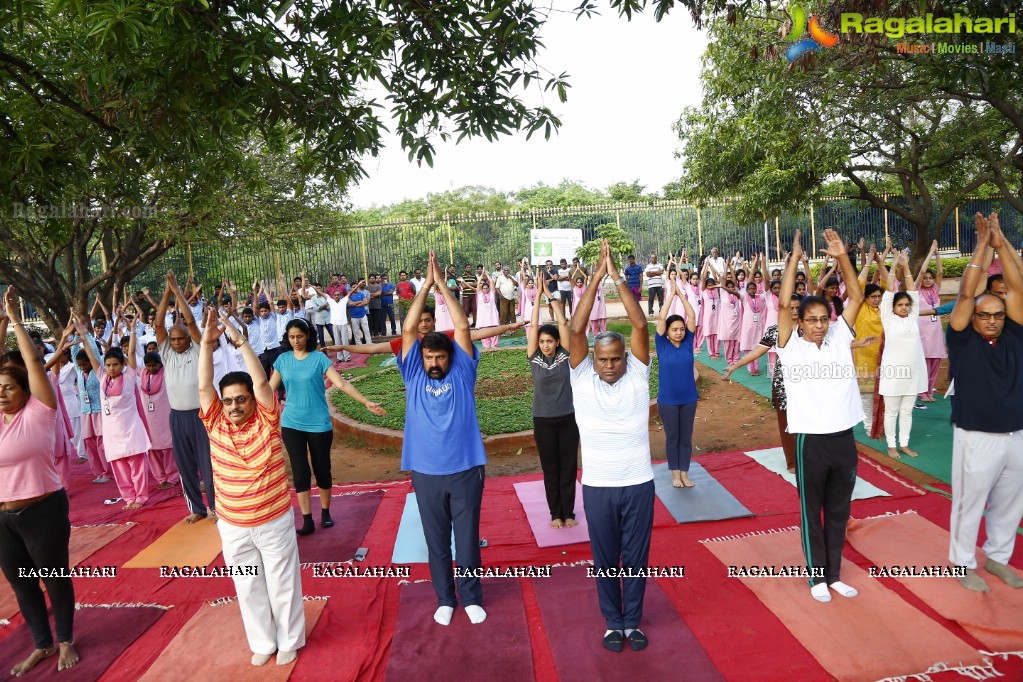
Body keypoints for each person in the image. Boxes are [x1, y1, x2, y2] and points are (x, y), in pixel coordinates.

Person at [197, 309, 306, 667]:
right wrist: (207, 346)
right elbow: (203, 386)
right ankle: (263, 641)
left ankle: (289, 639)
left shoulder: (268, 419)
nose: (233, 406)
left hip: (273, 521)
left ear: (252, 401)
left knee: (282, 583)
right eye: (227, 401)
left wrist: (240, 341)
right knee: (248, 586)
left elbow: (261, 384)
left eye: (240, 399)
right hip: (234, 528)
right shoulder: (215, 424)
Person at [570, 240, 654, 653]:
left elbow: (640, 326)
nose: (608, 365)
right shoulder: (580, 377)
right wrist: (595, 281)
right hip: (598, 487)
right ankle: (612, 622)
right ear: (593, 360)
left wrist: (617, 277)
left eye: (614, 359)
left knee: (636, 558)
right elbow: (574, 331)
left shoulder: (639, 374)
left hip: (639, 483)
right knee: (604, 560)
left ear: (625, 359)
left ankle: (633, 621)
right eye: (602, 359)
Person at [397, 252, 488, 627]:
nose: (434, 362)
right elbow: (407, 331)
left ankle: (470, 597)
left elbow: (463, 328)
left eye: (439, 357)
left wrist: (442, 286)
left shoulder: (463, 372)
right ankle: (445, 598)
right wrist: (424, 288)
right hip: (426, 472)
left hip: (466, 469)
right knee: (436, 541)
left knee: (466, 539)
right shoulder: (413, 375)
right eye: (429, 356)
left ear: (451, 358)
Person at [775, 228, 864, 604]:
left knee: (839, 511)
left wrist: (843, 257)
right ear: (800, 322)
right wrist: (794, 258)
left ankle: (835, 575)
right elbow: (782, 306)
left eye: (822, 319)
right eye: (810, 319)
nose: (817, 325)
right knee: (812, 512)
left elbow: (856, 295)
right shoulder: (790, 348)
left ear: (830, 319)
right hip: (810, 441)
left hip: (843, 438)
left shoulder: (840, 337)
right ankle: (816, 578)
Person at [0, 287, 79, 676]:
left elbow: (32, 362)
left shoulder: (39, 410)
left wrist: (15, 320)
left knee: (52, 578)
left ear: (25, 390)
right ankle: (42, 645)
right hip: (3, 519)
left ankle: (65, 639)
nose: (1, 392)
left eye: (8, 387)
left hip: (42, 510)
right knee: (22, 585)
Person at [945, 212, 1023, 592]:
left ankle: (997, 558)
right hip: (976, 435)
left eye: (997, 314)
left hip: (1017, 434)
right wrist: (980, 246)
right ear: (973, 318)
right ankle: (962, 563)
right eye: (984, 315)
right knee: (968, 503)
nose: (991, 320)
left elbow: (1018, 286)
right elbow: (964, 293)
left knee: (1011, 503)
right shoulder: (961, 339)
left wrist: (1001, 242)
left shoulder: (1016, 334)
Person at [269, 318, 385, 536]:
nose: (296, 341)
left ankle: (325, 512)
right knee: (300, 472)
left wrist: (366, 402)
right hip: (291, 423)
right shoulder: (282, 360)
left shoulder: (318, 358)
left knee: (322, 469)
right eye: (292, 337)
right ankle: (306, 520)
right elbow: (268, 390)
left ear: (308, 336)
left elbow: (341, 383)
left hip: (318, 423)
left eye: (300, 336)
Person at [72, 312, 151, 510]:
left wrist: (132, 330)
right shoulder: (101, 377)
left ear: (122, 365)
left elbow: (131, 353)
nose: (111, 368)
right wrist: (83, 334)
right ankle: (128, 497)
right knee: (119, 467)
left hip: (131, 428)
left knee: (137, 464)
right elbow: (92, 355)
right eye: (108, 365)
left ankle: (140, 497)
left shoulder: (130, 375)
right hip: (112, 431)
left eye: (115, 364)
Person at [156, 270, 216, 523]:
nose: (178, 342)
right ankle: (197, 509)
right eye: (174, 339)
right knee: (185, 466)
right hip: (177, 417)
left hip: (200, 415)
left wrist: (178, 292)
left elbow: (191, 323)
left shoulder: (198, 349)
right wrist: (167, 293)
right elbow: (158, 325)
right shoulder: (167, 353)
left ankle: (215, 508)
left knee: (208, 465)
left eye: (181, 339)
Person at [726, 290, 805, 473]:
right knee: (786, 421)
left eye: (797, 308)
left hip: (805, 382)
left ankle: (807, 457)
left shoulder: (809, 329)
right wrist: (734, 366)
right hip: (783, 383)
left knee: (806, 421)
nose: (793, 311)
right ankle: (792, 461)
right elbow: (756, 351)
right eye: (790, 308)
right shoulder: (775, 330)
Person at [528, 272, 578, 528]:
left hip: (568, 419)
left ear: (557, 342)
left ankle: (568, 513)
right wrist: (536, 298)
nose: (546, 345)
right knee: (551, 469)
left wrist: (551, 296)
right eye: (542, 342)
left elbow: (563, 325)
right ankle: (554, 513)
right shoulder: (535, 358)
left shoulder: (564, 356)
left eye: (550, 341)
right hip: (543, 421)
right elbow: (534, 326)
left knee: (568, 468)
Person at [878, 251, 928, 459]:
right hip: (893, 371)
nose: (905, 308)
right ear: (893, 307)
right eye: (900, 305)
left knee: (907, 411)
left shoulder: (913, 316)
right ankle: (891, 446)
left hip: (914, 370)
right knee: (892, 412)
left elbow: (913, 291)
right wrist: (894, 265)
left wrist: (906, 266)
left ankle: (904, 444)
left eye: (907, 305)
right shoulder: (888, 318)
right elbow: (890, 290)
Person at [655, 282, 699, 488]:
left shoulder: (688, 342)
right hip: (668, 401)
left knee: (686, 438)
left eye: (681, 329)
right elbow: (662, 318)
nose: (680, 332)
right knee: (673, 438)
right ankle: (675, 474)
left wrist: (682, 295)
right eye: (675, 329)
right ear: (668, 332)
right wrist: (671, 295)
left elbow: (692, 317)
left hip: (689, 399)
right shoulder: (662, 344)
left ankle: (684, 473)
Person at [128, 324, 180, 490]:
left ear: (160, 364)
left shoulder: (167, 373)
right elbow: (131, 355)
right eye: (148, 365)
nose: (151, 368)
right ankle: (160, 478)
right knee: (153, 449)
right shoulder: (141, 374)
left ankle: (172, 476)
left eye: (154, 365)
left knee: (168, 448)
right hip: (148, 419)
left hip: (165, 417)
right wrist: (132, 332)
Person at [915, 241, 945, 402]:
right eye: (925, 278)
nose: (928, 280)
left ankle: (930, 391)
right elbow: (921, 272)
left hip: (936, 334)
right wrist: (930, 252)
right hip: (923, 334)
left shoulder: (935, 290)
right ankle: (921, 392)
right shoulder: (917, 291)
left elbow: (940, 272)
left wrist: (937, 254)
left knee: (935, 362)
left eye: (930, 278)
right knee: (924, 363)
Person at [347, 279, 371, 344]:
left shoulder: (361, 294)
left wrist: (356, 304)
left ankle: (369, 343)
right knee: (356, 332)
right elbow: (351, 304)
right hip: (354, 316)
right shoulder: (349, 295)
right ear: (350, 288)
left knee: (366, 330)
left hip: (363, 315)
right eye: (353, 287)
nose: (355, 288)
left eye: (356, 287)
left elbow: (365, 302)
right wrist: (360, 302)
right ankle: (359, 345)